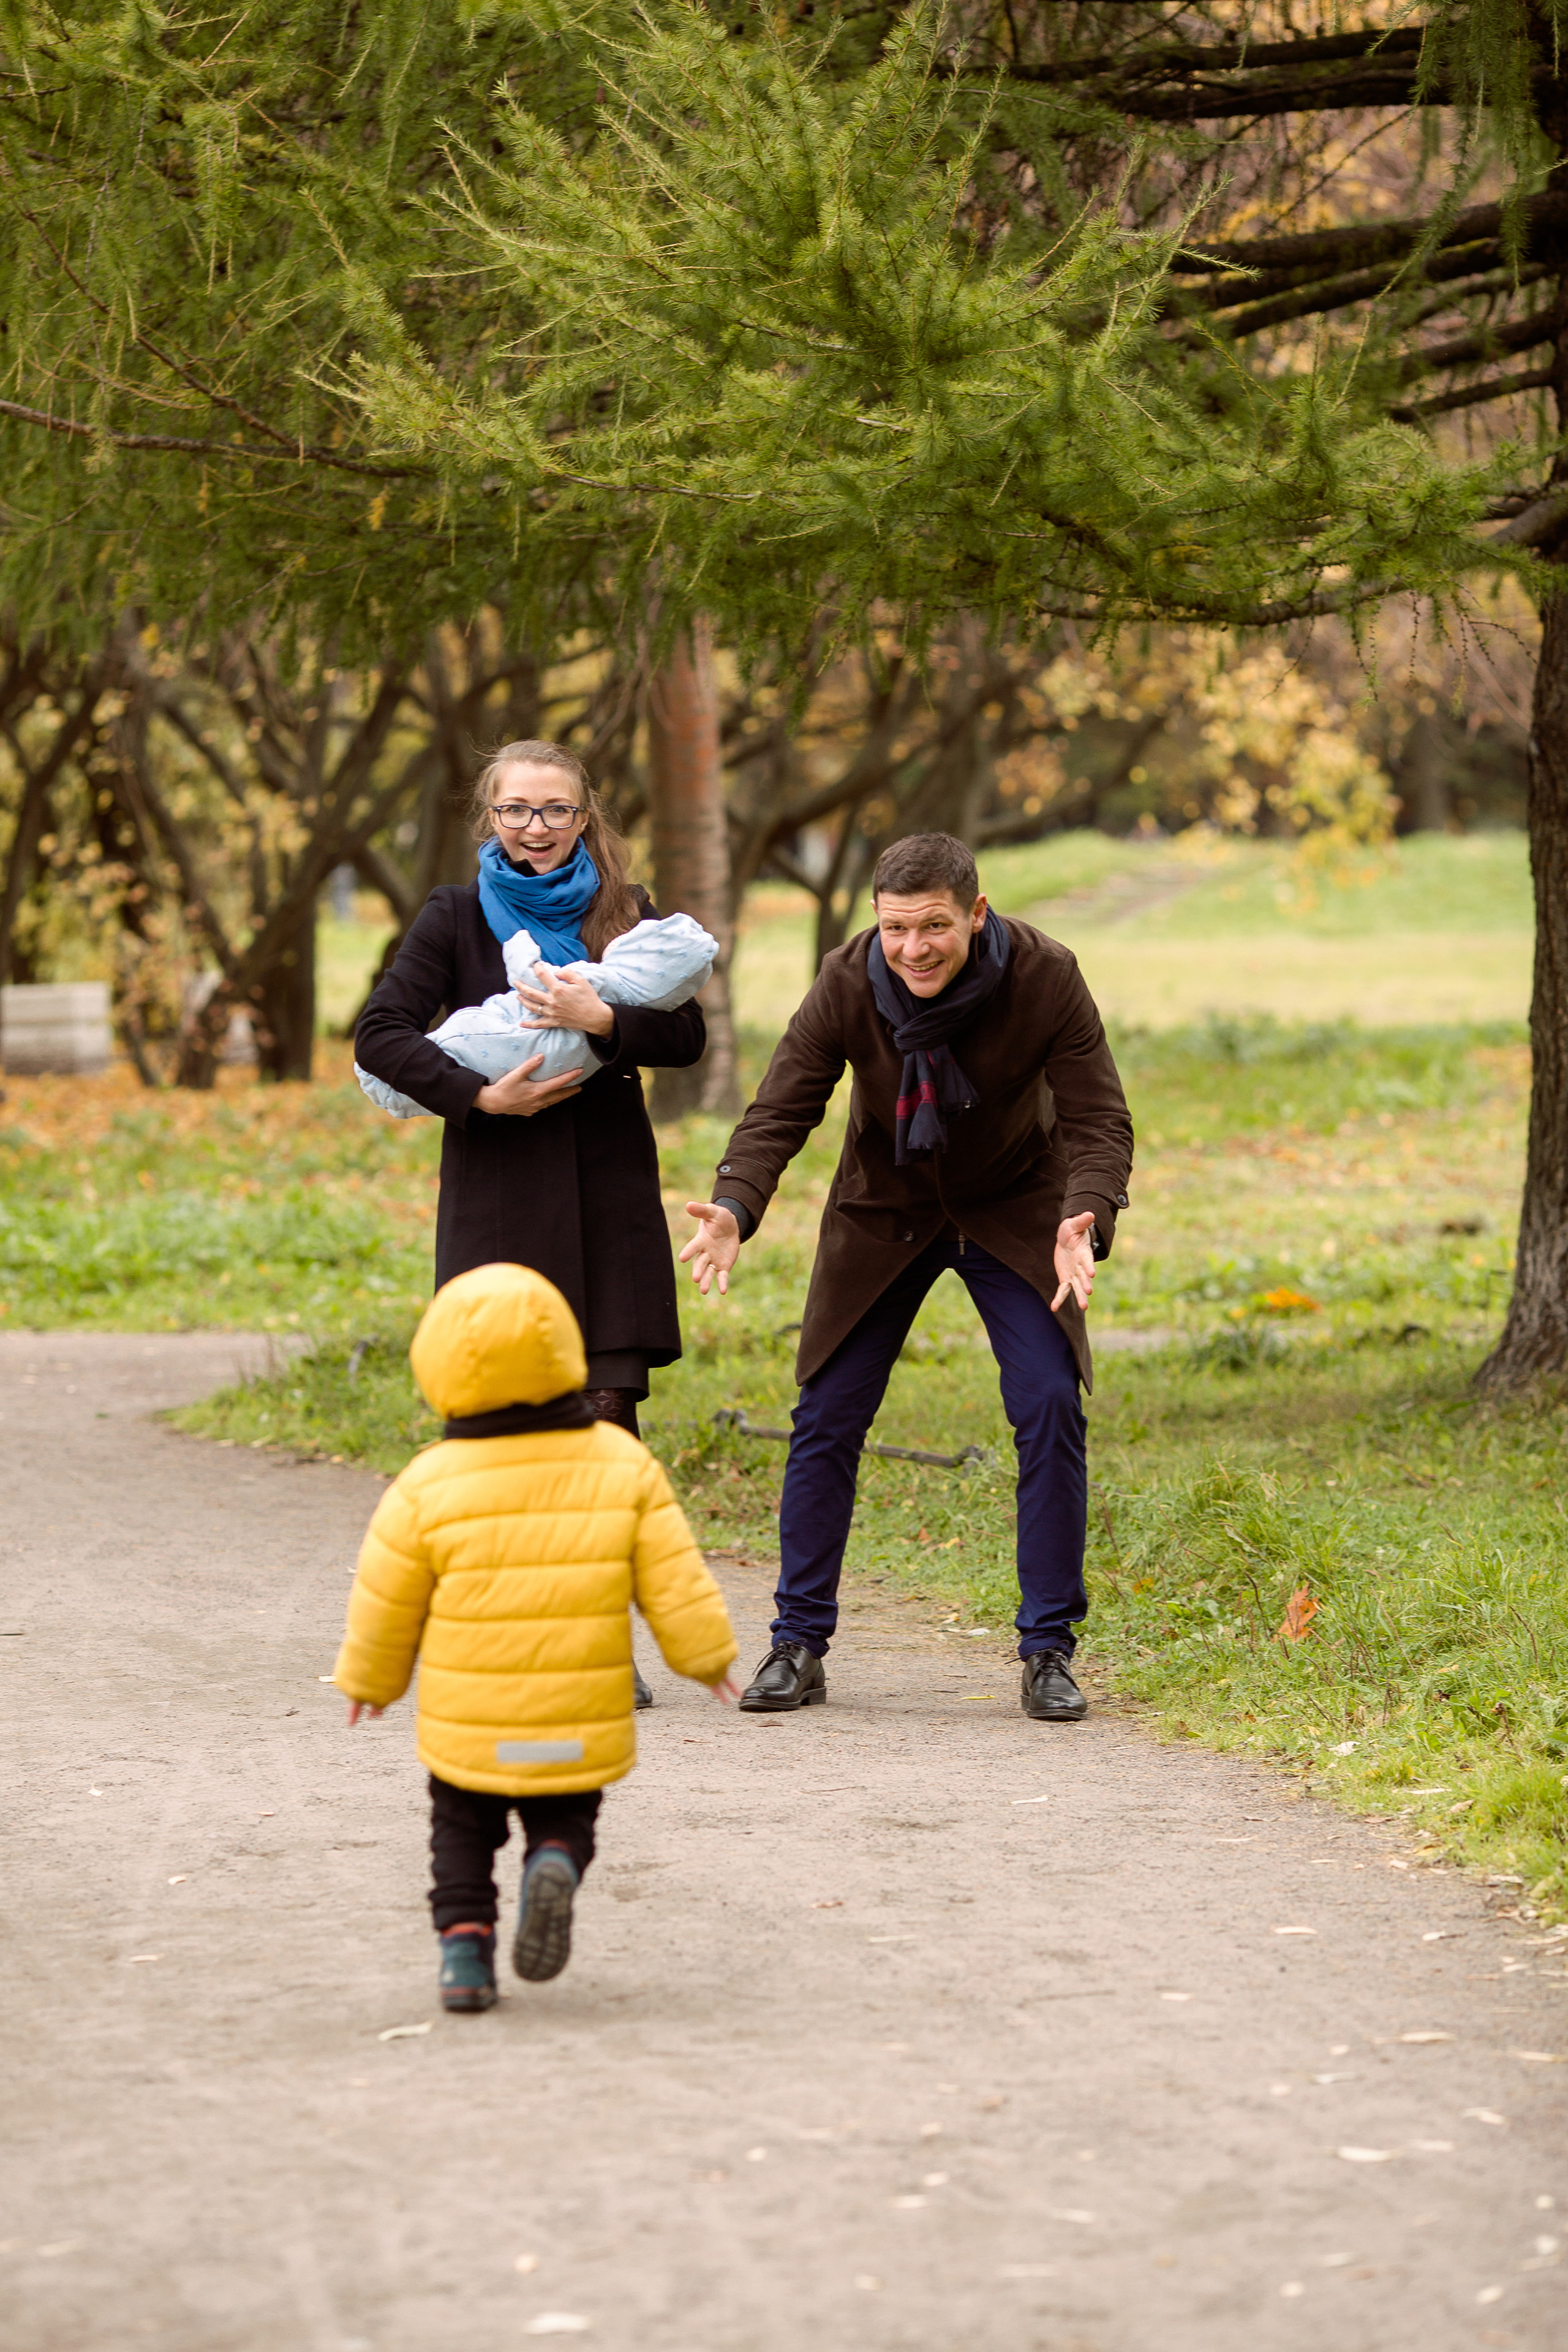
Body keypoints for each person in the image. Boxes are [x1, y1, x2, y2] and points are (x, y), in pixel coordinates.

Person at [680, 832, 1134, 1724]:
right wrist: (735, 1203)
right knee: (826, 1412)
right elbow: (784, 1102)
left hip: (1015, 1209)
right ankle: (797, 1642)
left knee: (1048, 1403)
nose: (914, 948)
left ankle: (1048, 1649)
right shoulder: (850, 979)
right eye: (895, 929)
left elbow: (1098, 1115)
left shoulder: (1045, 975)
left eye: (934, 926)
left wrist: (1087, 1211)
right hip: (882, 1209)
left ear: (977, 912)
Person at [355, 738, 707, 1706]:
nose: (537, 828)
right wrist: (478, 1098)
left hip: (605, 1191)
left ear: (584, 818)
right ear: (491, 819)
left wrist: (605, 1023)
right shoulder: (454, 913)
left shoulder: (625, 913)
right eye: (516, 811)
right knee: (496, 1425)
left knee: (606, 1421)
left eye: (555, 811)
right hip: (498, 1190)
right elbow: (380, 1034)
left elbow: (687, 1034)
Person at [333, 1262, 739, 2015]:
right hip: (572, 1722)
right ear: (565, 1349)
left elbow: (385, 1599)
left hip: (472, 1728)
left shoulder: (426, 1482)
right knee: (566, 1812)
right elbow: (673, 1579)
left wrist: (371, 1682)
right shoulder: (621, 1464)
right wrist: (707, 1659)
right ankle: (552, 1859)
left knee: (460, 1830)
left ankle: (463, 1951)